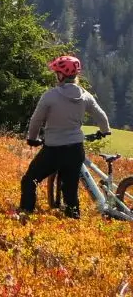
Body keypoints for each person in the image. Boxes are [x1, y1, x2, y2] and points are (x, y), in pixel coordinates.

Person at [19, 55, 111, 219]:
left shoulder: (50, 96)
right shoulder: (85, 95)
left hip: (53, 150)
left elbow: (36, 120)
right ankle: (73, 220)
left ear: (61, 75)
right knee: (70, 191)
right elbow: (102, 116)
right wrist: (104, 131)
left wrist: (32, 138)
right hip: (75, 150)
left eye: (57, 73)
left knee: (29, 181)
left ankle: (26, 214)